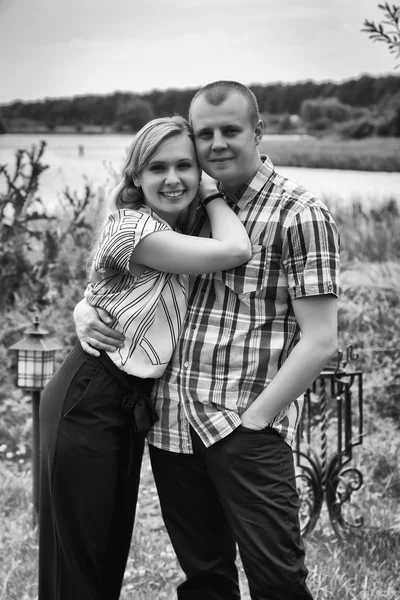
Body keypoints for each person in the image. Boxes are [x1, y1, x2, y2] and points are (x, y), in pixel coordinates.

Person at [74, 81, 340, 600]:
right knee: (206, 580)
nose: (217, 143)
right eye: (205, 134)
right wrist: (85, 309)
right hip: (173, 426)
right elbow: (127, 276)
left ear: (258, 132)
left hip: (245, 429)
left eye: (231, 130)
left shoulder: (300, 212)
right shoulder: (193, 205)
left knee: (278, 582)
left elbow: (321, 340)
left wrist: (256, 420)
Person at [38, 114, 252, 600]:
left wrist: (82, 306)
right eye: (157, 168)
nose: (173, 178)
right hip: (88, 397)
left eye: (184, 166)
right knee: (81, 555)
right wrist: (214, 191)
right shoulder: (138, 228)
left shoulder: (174, 227)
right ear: (135, 176)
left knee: (107, 549)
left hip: (126, 402)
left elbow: (108, 293)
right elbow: (236, 249)